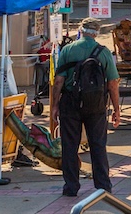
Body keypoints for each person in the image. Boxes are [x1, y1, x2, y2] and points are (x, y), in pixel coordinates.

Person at [51, 18, 121, 198]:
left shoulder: (68, 50)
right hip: (96, 104)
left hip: (70, 103)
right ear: (96, 33)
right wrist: (116, 109)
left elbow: (58, 81)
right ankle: (103, 186)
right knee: (98, 145)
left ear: (81, 30)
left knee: (70, 145)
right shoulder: (103, 53)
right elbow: (113, 84)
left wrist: (54, 106)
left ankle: (71, 187)